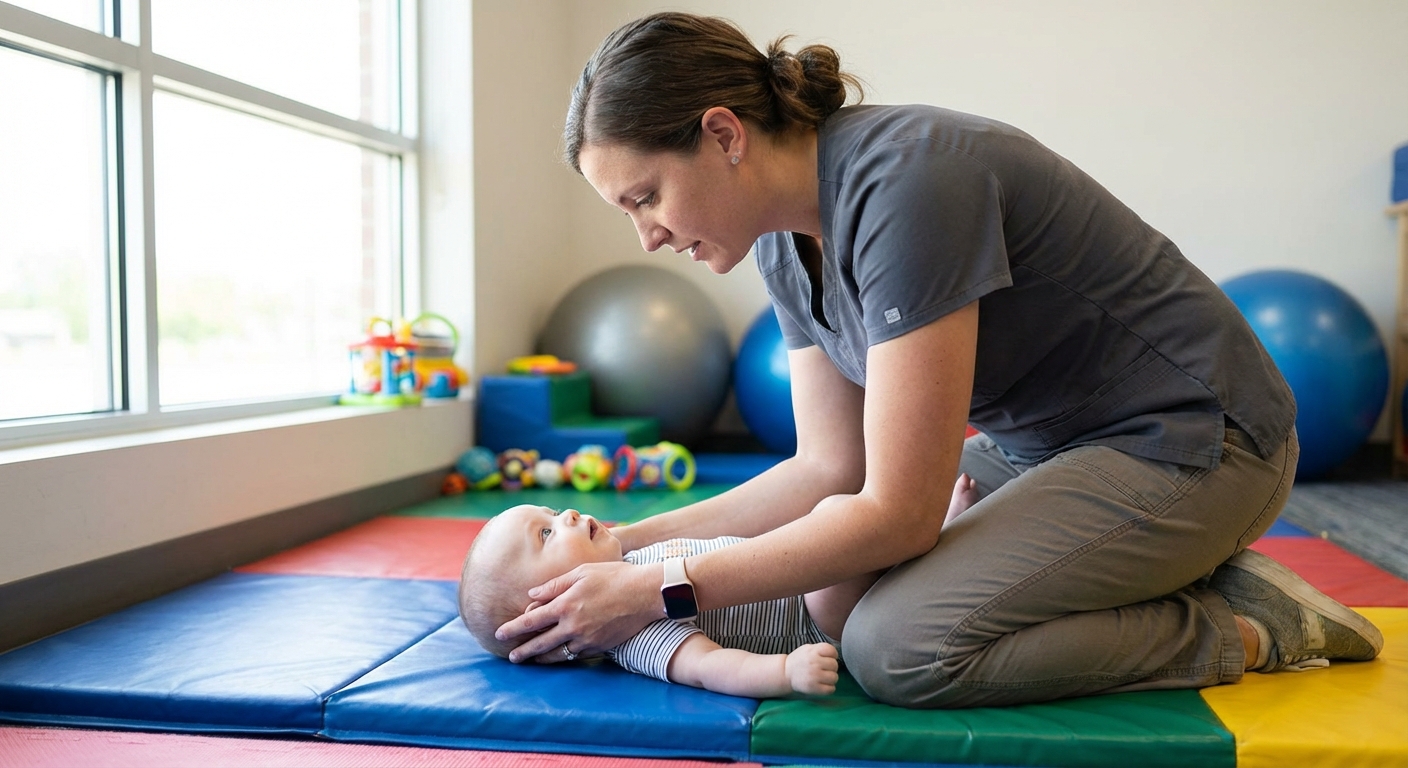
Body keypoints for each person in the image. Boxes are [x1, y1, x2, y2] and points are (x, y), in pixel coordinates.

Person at [495, 12, 1383, 709]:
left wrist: (657, 592)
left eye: (646, 196)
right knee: (850, 584)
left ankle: (1250, 624)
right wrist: (610, 558)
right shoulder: (778, 240)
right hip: (1047, 452)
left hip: (1200, 442)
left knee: (897, 647)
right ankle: (1149, 565)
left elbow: (896, 512)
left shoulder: (908, 183)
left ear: (724, 134)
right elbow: (826, 468)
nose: (645, 236)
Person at [460, 480, 978, 697]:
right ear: (553, 603)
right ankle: (940, 543)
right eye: (547, 533)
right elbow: (707, 667)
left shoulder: (631, 563)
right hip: (816, 615)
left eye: (551, 512)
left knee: (833, 519)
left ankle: (937, 540)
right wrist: (784, 671)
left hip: (794, 575)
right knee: (839, 521)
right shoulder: (630, 634)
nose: (567, 513)